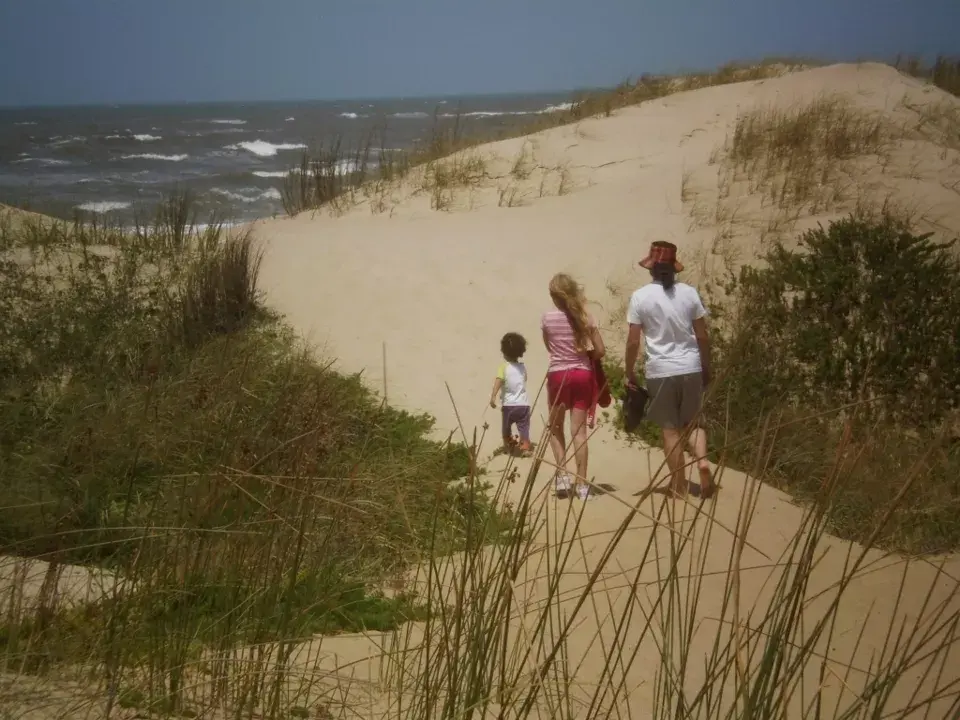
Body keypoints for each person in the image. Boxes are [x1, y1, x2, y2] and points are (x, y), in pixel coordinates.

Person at [624, 241, 716, 499]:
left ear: (651, 269)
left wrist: (629, 370)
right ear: (674, 269)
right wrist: (705, 365)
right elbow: (703, 336)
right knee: (693, 422)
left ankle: (678, 486)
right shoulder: (689, 293)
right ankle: (703, 461)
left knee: (670, 429)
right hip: (691, 366)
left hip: (661, 370)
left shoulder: (640, 297)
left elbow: (633, 341)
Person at [541, 273, 606, 499]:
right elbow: (600, 351)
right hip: (582, 374)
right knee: (579, 432)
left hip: (559, 375)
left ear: (554, 296)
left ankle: (562, 477)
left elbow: (550, 348)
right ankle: (582, 485)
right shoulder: (586, 316)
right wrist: (584, 354)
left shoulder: (547, 318)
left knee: (555, 427)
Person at [489, 332, 532, 455]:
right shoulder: (522, 367)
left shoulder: (504, 367)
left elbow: (499, 381)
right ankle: (525, 446)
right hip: (523, 404)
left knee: (506, 428)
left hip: (509, 405)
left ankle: (508, 445)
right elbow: (525, 379)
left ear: (504, 352)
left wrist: (493, 396)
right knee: (523, 427)